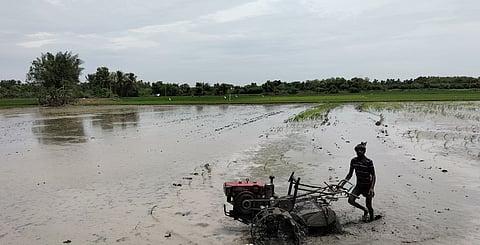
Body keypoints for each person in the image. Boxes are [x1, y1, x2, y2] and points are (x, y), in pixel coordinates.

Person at [341, 142, 376, 222]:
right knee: (350, 200)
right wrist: (342, 184)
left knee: (369, 205)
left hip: (368, 186)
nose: (359, 152)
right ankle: (364, 210)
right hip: (359, 186)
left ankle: (371, 219)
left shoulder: (369, 162)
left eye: (361, 150)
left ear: (364, 151)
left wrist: (372, 188)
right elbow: (350, 174)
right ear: (355, 151)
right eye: (358, 150)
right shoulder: (353, 161)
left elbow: (373, 176)